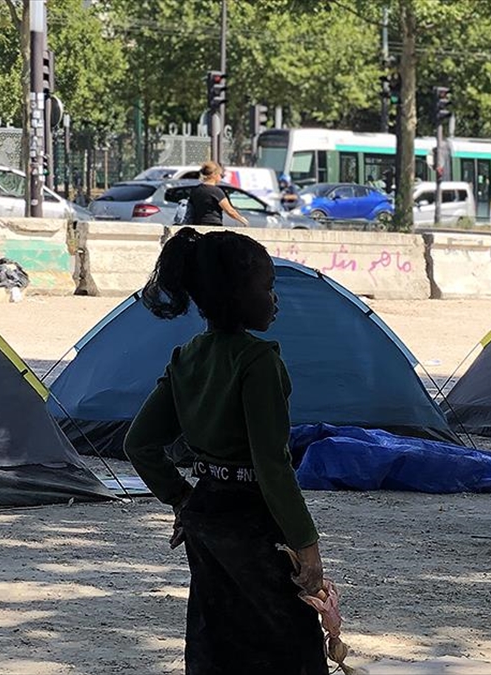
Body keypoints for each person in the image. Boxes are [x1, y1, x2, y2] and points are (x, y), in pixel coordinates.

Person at [123, 228, 330, 674]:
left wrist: (181, 498)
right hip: (255, 517)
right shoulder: (258, 361)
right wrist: (306, 545)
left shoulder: (186, 358)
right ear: (237, 295)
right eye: (267, 287)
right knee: (291, 636)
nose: (275, 299)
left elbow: (139, 443)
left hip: (206, 511)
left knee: (215, 629)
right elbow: (272, 465)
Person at [187, 161, 249, 227]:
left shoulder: (196, 190)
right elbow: (229, 210)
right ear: (214, 175)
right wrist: (242, 220)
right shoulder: (216, 191)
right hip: (213, 224)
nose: (221, 177)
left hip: (197, 224)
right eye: (220, 175)